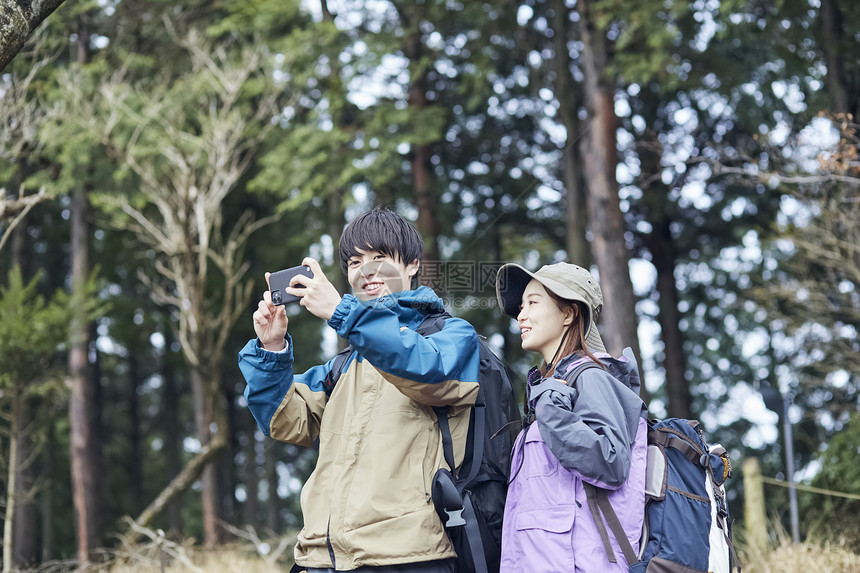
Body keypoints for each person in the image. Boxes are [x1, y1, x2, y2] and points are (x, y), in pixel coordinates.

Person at [238, 207, 482, 573]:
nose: (366, 271)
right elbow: (284, 422)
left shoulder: (451, 335)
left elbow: (431, 375)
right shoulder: (343, 365)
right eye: (355, 262)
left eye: (380, 258)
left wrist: (342, 312)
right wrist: (272, 349)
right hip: (320, 557)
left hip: (409, 557)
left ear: (413, 264)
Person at [494, 262, 647, 573]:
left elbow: (611, 462)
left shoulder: (590, 378)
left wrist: (550, 408)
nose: (521, 315)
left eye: (533, 303)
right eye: (521, 306)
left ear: (568, 314)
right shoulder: (553, 389)